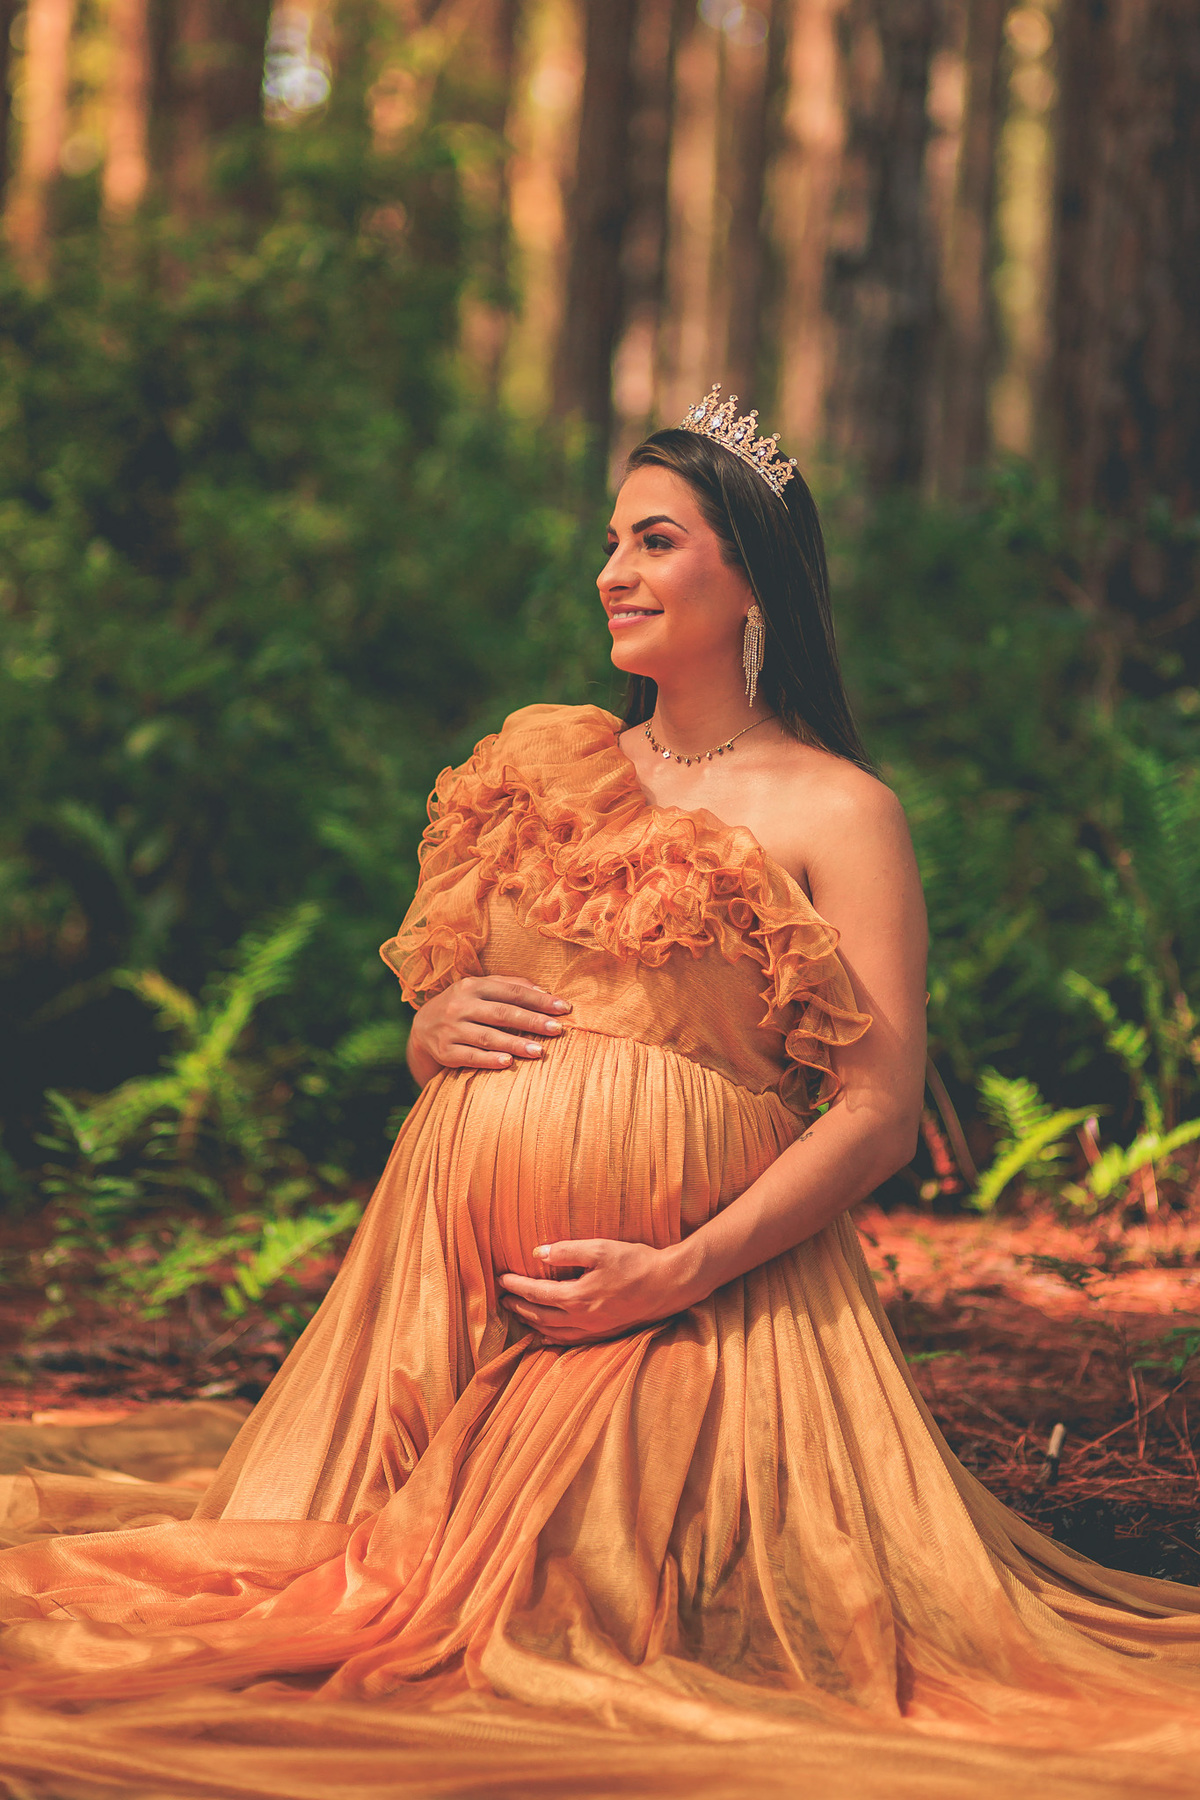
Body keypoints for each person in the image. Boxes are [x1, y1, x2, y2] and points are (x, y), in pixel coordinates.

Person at [1, 387, 1199, 1800]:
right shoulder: (543, 769)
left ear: (748, 571)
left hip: (689, 1310)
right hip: (432, 1306)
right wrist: (431, 1026)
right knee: (287, 1591)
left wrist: (678, 1269)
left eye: (653, 541)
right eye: (611, 543)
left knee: (571, 1620)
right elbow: (446, 1020)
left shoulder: (839, 811)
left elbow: (878, 1109)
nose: (609, 573)